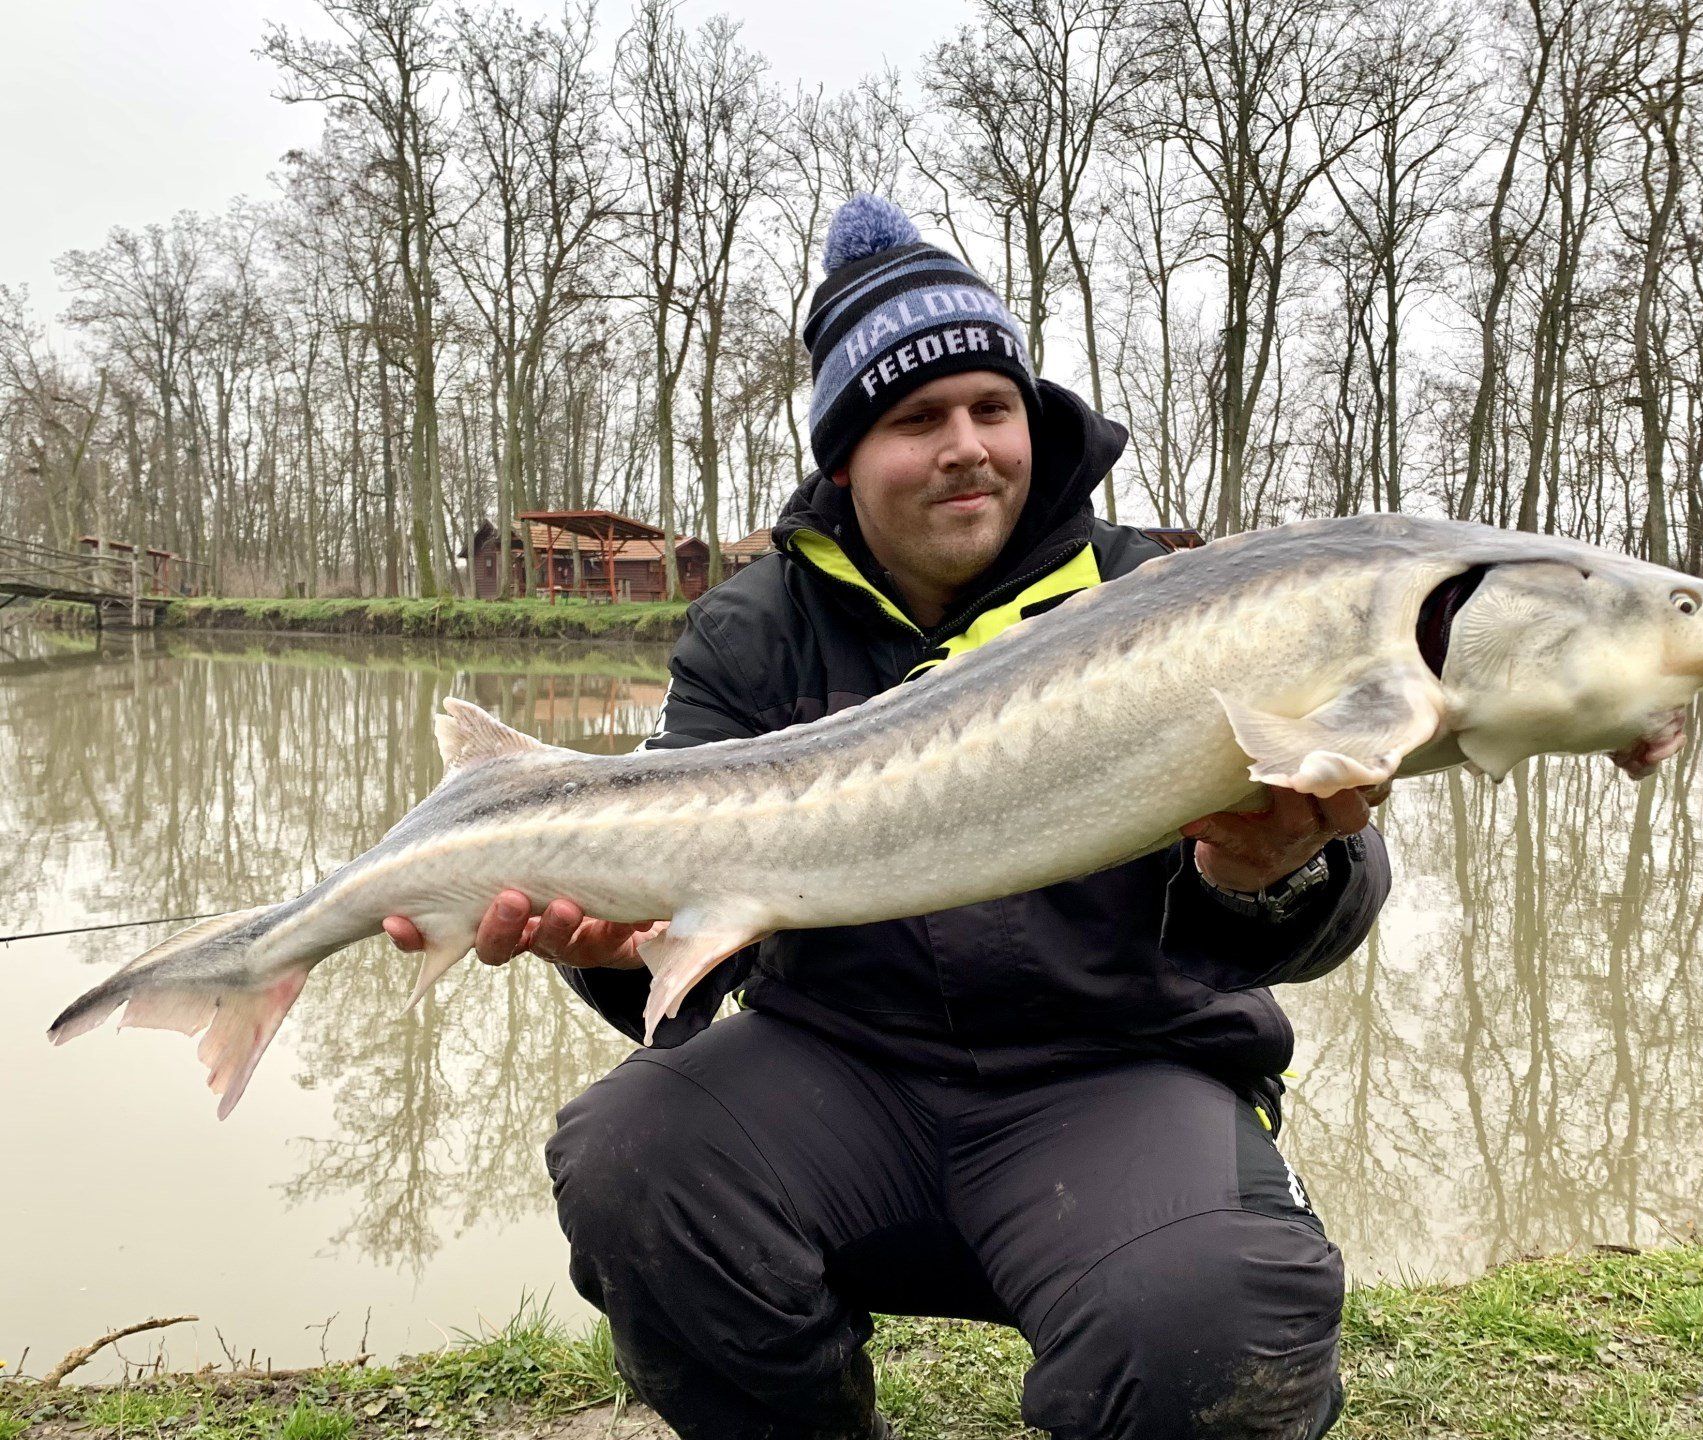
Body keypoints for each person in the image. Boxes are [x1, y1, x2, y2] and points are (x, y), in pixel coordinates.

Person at [386, 194, 1391, 1440]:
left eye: (995, 408)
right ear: (847, 455)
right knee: (632, 1159)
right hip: (838, 1073)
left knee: (1210, 1320)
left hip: (1120, 1076)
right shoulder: (751, 631)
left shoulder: (1165, 594)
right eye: (918, 419)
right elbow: (691, 957)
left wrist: (1275, 871)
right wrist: (617, 946)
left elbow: (1322, 918)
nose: (968, 446)